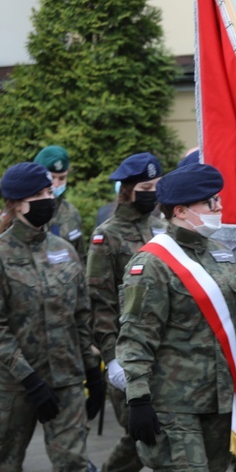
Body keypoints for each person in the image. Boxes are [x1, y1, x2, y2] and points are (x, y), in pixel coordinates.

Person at [116, 162, 236, 470]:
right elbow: (136, 337)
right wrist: (138, 397)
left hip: (221, 399)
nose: (219, 206)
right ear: (181, 211)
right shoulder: (151, 264)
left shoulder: (220, 254)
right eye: (211, 202)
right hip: (175, 405)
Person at [0, 162, 104, 471]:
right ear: (17, 204)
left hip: (66, 379)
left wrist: (92, 369)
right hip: (15, 386)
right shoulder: (2, 255)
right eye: (40, 195)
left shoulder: (64, 251)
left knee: (74, 463)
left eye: (50, 192)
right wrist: (30, 379)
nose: (49, 200)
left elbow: (81, 316)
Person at [87, 152, 166, 472]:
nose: (154, 192)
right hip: (128, 351)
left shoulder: (162, 228)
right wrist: (113, 357)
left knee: (157, 433)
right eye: (147, 186)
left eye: (158, 185)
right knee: (144, 435)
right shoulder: (107, 235)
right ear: (128, 190)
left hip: (163, 351)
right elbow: (98, 301)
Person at [33, 145, 86, 261]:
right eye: (52, 178)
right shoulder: (26, 210)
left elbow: (80, 258)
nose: (56, 184)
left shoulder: (71, 213)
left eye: (62, 178)